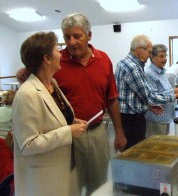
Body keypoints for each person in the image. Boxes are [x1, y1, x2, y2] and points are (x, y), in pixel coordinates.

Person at [53, 13, 127, 195]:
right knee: (70, 187)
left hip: (97, 134)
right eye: (67, 37)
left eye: (77, 36)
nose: (71, 42)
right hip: (66, 137)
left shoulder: (103, 60)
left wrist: (119, 132)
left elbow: (112, 99)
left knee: (99, 186)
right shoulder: (55, 62)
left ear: (89, 35)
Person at [13, 32, 87, 196]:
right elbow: (28, 144)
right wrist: (68, 131)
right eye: (56, 50)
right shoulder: (27, 94)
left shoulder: (51, 83)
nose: (60, 54)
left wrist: (72, 121)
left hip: (64, 168)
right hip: (43, 179)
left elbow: (53, 116)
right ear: (47, 58)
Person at [115, 35, 178, 150]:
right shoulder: (134, 68)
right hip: (132, 119)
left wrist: (150, 105)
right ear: (139, 50)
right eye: (149, 51)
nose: (149, 54)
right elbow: (149, 96)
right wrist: (176, 96)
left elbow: (137, 95)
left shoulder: (126, 63)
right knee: (137, 152)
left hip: (134, 116)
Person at [144, 44, 178, 137]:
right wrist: (177, 95)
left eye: (165, 55)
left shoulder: (162, 72)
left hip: (166, 115)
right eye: (161, 56)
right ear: (152, 57)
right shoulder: (148, 73)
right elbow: (154, 97)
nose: (165, 59)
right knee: (156, 147)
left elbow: (165, 91)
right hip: (156, 117)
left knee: (163, 144)